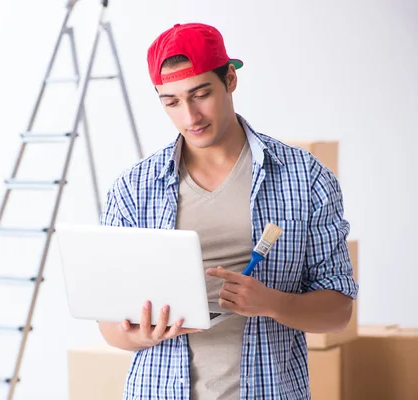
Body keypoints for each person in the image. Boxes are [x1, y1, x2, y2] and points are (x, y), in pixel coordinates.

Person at [97, 22, 359, 400]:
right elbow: (110, 326)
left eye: (201, 94)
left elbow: (337, 313)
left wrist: (272, 302)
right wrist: (139, 335)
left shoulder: (305, 176)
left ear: (230, 80)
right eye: (171, 102)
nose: (190, 116)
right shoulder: (134, 188)